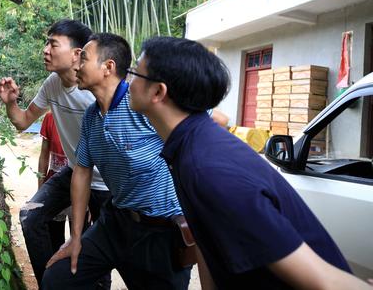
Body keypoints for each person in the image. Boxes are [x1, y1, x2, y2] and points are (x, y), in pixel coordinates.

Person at [128, 36, 372, 290]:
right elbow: (207, 241)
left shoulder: (210, 169)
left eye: (134, 73)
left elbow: (321, 280)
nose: (129, 82)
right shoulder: (192, 145)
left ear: (158, 92)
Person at [42, 33, 191, 290]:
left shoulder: (145, 105)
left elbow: (206, 123)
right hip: (115, 222)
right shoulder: (91, 117)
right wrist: (76, 236)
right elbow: (82, 171)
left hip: (161, 232)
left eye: (84, 59)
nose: (76, 66)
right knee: (59, 280)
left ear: (108, 67)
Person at [0, 19, 111, 287]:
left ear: (76, 54)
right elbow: (23, 121)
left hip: (107, 182)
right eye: (46, 43)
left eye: (53, 44)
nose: (45, 49)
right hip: (75, 172)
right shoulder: (53, 83)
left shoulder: (96, 90)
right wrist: (11, 102)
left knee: (99, 250)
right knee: (30, 216)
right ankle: (50, 283)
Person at [39, 112, 70, 250]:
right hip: (54, 183)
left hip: (80, 186)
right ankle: (57, 271)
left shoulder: (86, 114)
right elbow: (44, 154)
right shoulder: (50, 117)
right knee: (54, 238)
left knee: (82, 237)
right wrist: (41, 190)